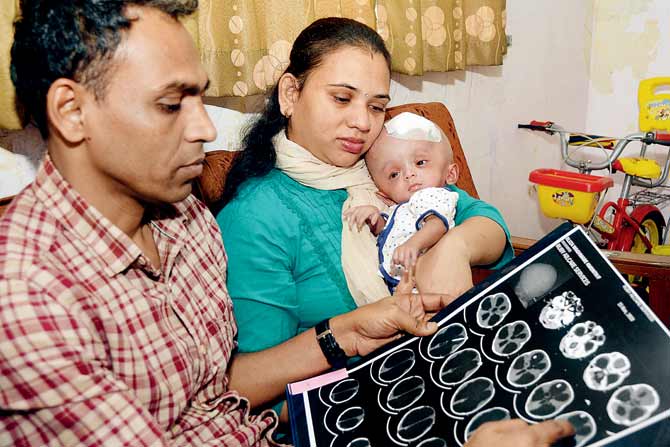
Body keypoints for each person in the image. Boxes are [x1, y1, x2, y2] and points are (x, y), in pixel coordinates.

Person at [0, 2, 575, 445]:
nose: (204, 128)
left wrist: (350, 331)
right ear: (72, 112)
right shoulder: (24, 297)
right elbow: (263, 395)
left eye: (199, 98)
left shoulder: (186, 220)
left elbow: (224, 390)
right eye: (172, 104)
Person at [217, 17, 513, 419]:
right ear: (290, 94)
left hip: (441, 379)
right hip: (358, 410)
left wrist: (456, 246)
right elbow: (249, 388)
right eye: (342, 98)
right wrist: (354, 353)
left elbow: (484, 220)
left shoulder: (380, 170)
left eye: (376, 106)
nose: (363, 122)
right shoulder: (257, 217)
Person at [344, 111, 461, 292]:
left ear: (450, 174)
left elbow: (437, 225)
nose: (408, 174)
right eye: (394, 174)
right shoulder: (401, 209)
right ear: (384, 195)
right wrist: (375, 218)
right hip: (403, 285)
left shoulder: (434, 196)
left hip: (433, 280)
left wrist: (414, 244)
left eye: (420, 162)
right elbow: (390, 232)